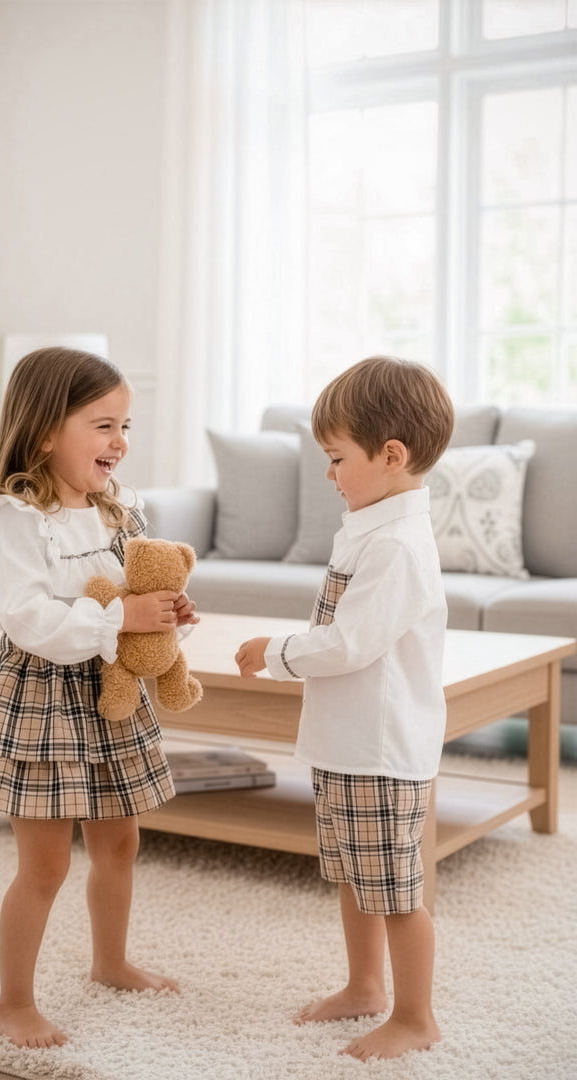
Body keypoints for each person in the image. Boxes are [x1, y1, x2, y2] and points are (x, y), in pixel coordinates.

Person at [0, 347, 198, 1050]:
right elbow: (26, 618)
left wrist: (161, 610)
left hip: (109, 688)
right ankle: (13, 1002)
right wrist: (122, 620)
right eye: (103, 425)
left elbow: (125, 592)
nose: (120, 442)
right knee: (46, 862)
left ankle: (110, 961)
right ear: (46, 431)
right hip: (44, 695)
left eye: (127, 426)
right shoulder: (16, 518)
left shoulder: (118, 512)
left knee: (121, 841)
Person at [235, 355, 454, 1062]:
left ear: (391, 457)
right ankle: (365, 986)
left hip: (382, 749)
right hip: (348, 741)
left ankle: (416, 1016)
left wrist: (276, 650)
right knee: (357, 876)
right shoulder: (367, 524)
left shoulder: (396, 545)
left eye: (336, 459)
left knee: (394, 889)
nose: (328, 474)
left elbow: (351, 644)